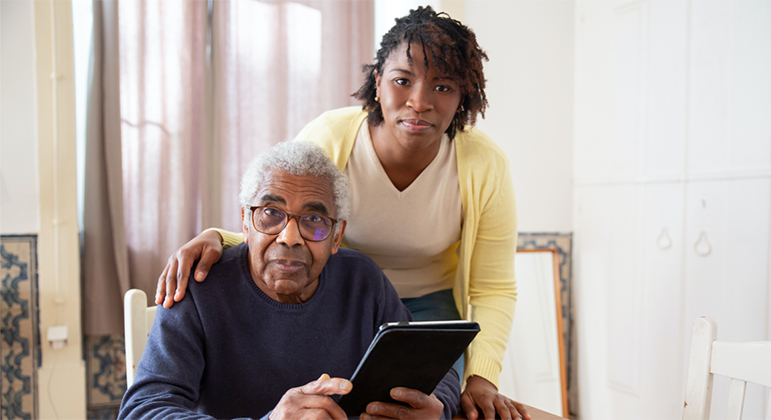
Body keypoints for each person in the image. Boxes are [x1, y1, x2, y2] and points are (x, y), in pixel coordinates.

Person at [155, 7, 527, 420]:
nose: (419, 102)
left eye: (443, 87)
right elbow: (288, 206)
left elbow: (493, 288)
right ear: (378, 83)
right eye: (403, 81)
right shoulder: (332, 138)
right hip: (341, 292)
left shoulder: (484, 164)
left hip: (427, 303)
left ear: (463, 97)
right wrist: (219, 237)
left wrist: (482, 378)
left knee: (427, 404)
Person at [119, 141, 460, 420]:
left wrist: (436, 411)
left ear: (337, 236)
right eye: (271, 213)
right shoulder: (199, 284)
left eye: (313, 219)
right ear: (245, 222)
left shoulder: (362, 280)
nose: (290, 237)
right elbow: (142, 411)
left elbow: (436, 370)